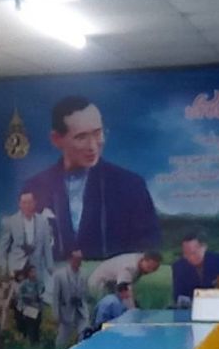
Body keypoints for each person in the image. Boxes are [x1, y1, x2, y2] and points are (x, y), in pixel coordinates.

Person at [21, 96, 161, 261]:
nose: (93, 146)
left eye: (97, 133)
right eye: (81, 137)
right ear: (56, 139)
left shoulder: (130, 185)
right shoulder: (34, 187)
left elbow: (148, 248)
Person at [0, 190, 53, 279]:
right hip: (16, 268)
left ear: (34, 203)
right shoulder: (11, 221)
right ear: (19, 204)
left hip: (36, 269)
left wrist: (50, 267)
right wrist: (3, 269)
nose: (27, 206)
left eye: (30, 202)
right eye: (24, 203)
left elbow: (47, 247)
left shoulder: (43, 221)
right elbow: (3, 248)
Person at [171, 233, 219, 305]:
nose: (190, 257)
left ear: (204, 247)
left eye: (193, 253)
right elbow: (178, 295)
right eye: (186, 254)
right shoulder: (179, 266)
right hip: (192, 308)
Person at [87, 250, 162, 307]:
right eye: (149, 267)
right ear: (143, 260)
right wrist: (133, 311)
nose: (150, 271)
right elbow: (123, 290)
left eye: (154, 269)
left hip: (111, 284)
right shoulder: (129, 268)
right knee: (108, 309)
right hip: (99, 284)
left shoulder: (140, 260)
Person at [51, 249, 89, 349]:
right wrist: (56, 315)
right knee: (62, 339)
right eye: (77, 259)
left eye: (80, 259)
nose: (79, 261)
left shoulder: (84, 273)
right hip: (66, 312)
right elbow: (56, 296)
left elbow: (85, 292)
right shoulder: (59, 275)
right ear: (70, 259)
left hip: (81, 310)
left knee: (84, 335)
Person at [15, 265, 45, 344]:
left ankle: (37, 341)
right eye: (32, 272)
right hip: (29, 308)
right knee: (31, 325)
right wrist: (28, 298)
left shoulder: (39, 282)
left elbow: (42, 292)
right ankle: (32, 342)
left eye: (35, 271)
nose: (34, 273)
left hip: (38, 307)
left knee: (37, 325)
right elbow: (20, 295)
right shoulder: (24, 284)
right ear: (28, 273)